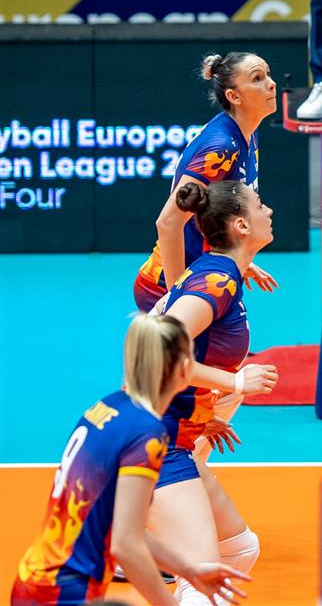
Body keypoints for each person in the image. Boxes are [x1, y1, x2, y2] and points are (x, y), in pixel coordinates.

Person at [11, 315, 251, 606]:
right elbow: (126, 545)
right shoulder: (148, 433)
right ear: (183, 368)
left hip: (37, 580)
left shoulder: (107, 406)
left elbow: (122, 527)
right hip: (66, 593)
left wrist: (188, 571)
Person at [148, 180, 279, 606]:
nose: (268, 212)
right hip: (154, 443)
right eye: (260, 206)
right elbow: (161, 351)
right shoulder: (216, 281)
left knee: (239, 550)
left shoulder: (220, 272)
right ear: (241, 225)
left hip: (175, 432)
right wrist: (238, 383)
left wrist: (203, 415)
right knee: (202, 580)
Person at [134, 53, 278, 314]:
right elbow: (168, 222)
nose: (271, 83)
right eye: (257, 78)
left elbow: (213, 210)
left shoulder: (247, 131)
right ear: (234, 96)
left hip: (205, 272)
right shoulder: (220, 148)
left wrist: (237, 258)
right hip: (169, 282)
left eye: (268, 74)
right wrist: (177, 299)